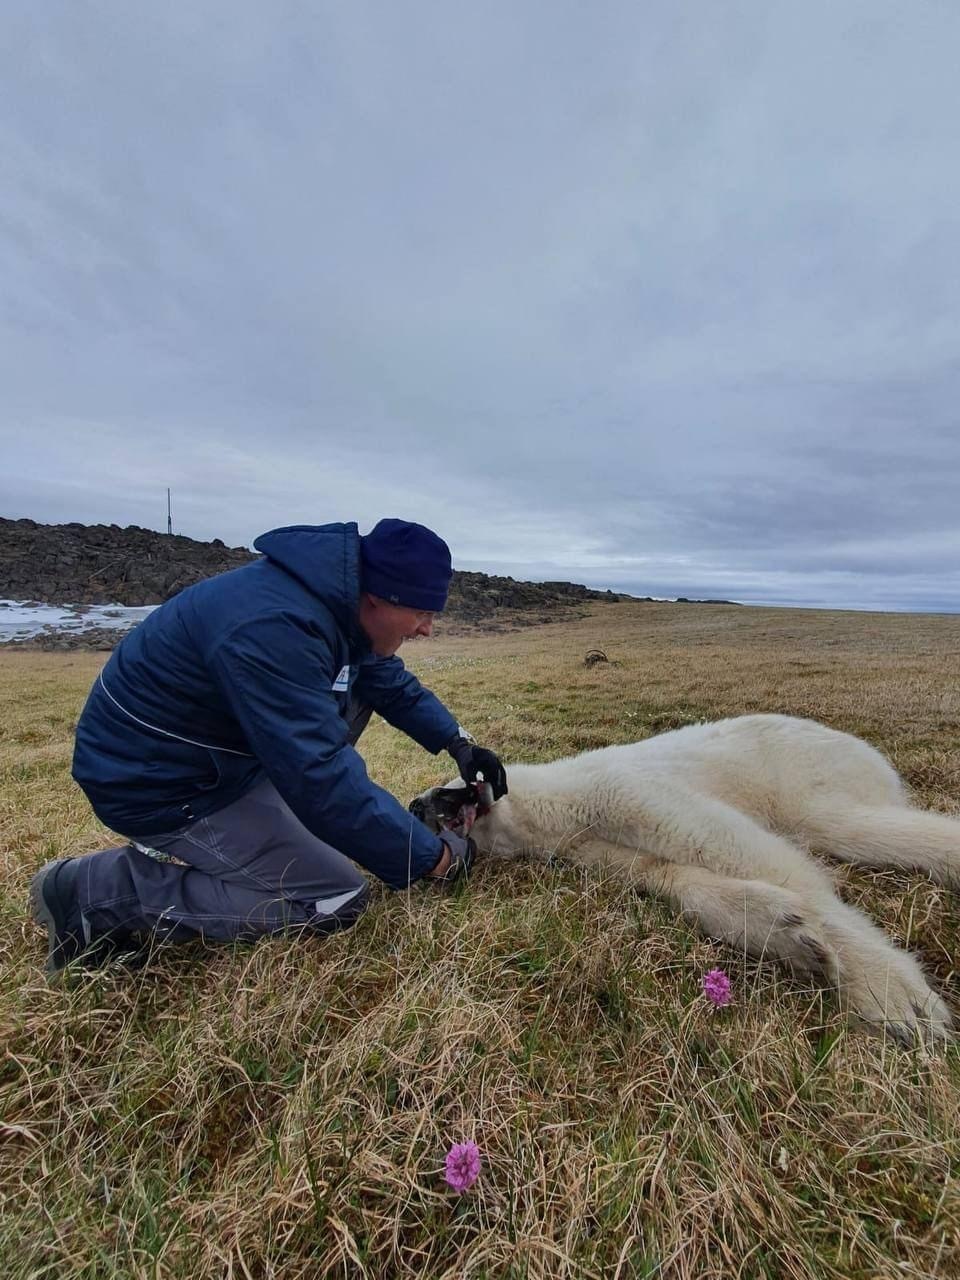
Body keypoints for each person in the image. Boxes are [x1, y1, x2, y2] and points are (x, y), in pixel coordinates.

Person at [28, 518, 508, 973]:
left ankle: (277, 826)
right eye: (422, 611)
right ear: (379, 597)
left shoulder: (336, 608)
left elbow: (385, 682)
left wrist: (459, 744)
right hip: (158, 782)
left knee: (353, 714)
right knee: (334, 896)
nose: (427, 628)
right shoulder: (275, 628)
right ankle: (93, 893)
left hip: (214, 760)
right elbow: (319, 775)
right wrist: (434, 860)